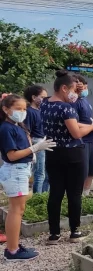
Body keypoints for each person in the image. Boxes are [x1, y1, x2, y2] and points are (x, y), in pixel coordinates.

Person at [40, 70, 93, 245]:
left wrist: (89, 125)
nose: (76, 94)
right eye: (74, 90)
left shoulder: (45, 104)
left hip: (53, 152)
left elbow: (71, 124)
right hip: (73, 153)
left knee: (55, 193)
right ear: (64, 88)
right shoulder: (66, 107)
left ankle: (54, 234)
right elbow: (75, 132)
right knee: (74, 194)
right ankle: (75, 231)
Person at [0, 95, 56, 260]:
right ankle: (12, 251)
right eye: (18, 109)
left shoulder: (17, 126)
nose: (22, 112)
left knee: (19, 209)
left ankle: (14, 246)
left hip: (20, 170)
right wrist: (35, 148)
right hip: (15, 171)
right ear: (5, 109)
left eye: (24, 109)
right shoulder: (6, 128)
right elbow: (12, 155)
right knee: (16, 211)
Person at [73, 75, 93, 196]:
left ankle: (86, 194)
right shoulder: (74, 103)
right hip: (81, 140)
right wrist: (91, 127)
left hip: (90, 139)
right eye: (83, 86)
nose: (85, 89)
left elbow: (87, 119)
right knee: (81, 171)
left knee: (92, 170)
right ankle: (77, 195)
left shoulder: (86, 101)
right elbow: (72, 123)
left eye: (86, 86)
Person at [23, 85, 50, 193]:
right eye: (42, 97)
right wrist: (32, 148)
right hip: (37, 141)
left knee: (47, 172)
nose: (45, 100)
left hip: (45, 140)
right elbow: (27, 132)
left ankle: (44, 195)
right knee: (40, 172)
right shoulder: (30, 112)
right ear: (34, 97)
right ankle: (37, 197)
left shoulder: (42, 110)